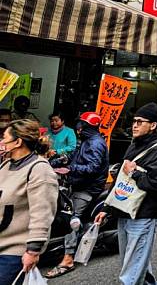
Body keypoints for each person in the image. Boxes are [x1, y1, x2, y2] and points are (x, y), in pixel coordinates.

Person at [95, 103, 157, 285]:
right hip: (124, 210)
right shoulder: (133, 145)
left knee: (132, 265)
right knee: (133, 260)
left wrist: (134, 173)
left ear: (153, 125)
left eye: (139, 122)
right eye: (133, 121)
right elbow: (122, 179)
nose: (134, 125)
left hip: (143, 214)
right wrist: (107, 207)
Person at [46, 112, 109, 279]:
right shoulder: (86, 141)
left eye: (82, 125)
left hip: (88, 188)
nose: (79, 128)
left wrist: (71, 169)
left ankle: (67, 259)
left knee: (72, 219)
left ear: (88, 127)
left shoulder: (96, 144)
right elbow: (73, 157)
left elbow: (93, 167)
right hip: (77, 184)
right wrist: (54, 162)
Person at [0, 120, 58, 285]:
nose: (2, 142)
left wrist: (33, 251)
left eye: (4, 138)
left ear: (17, 142)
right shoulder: (6, 164)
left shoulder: (39, 170)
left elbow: (42, 214)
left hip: (14, 251)